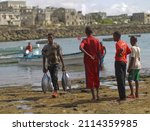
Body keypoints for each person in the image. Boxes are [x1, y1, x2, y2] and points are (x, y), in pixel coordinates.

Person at [79, 26, 102, 101]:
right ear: (92, 32)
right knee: (96, 77)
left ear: (86, 32)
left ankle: (94, 96)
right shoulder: (97, 40)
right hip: (96, 61)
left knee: (90, 78)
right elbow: (99, 53)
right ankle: (98, 95)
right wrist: (101, 63)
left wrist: (88, 55)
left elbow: (80, 48)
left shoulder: (85, 40)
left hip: (88, 61)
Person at [42, 33, 65, 98]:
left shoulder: (57, 46)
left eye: (51, 38)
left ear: (53, 38)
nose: (50, 39)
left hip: (56, 63)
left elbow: (60, 55)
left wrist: (63, 65)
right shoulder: (45, 47)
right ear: (47, 39)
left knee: (55, 76)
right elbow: (44, 57)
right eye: (48, 38)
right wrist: (44, 66)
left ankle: (55, 91)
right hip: (49, 65)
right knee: (52, 78)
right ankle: (55, 89)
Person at [113, 31, 131, 101]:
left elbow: (120, 49)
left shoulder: (117, 43)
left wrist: (119, 54)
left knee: (120, 80)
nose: (113, 38)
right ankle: (123, 95)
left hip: (119, 62)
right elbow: (129, 51)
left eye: (114, 36)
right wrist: (124, 55)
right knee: (123, 79)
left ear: (117, 36)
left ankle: (122, 97)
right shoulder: (124, 42)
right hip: (124, 62)